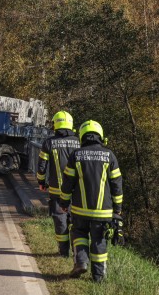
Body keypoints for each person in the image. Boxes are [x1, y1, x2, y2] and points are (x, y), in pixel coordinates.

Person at [59, 120, 123, 283]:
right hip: (103, 211)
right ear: (100, 136)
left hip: (80, 210)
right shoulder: (110, 156)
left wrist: (64, 203)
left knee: (79, 234)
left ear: (82, 136)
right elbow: (116, 184)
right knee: (99, 241)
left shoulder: (76, 155)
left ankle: (81, 262)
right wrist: (118, 208)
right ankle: (98, 277)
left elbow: (67, 183)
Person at [36, 111, 80, 257]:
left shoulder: (49, 142)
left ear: (56, 124)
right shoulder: (79, 142)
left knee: (60, 219)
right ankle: (77, 252)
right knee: (76, 221)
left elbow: (42, 166)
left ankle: (63, 252)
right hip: (77, 191)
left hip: (57, 191)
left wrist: (41, 182)